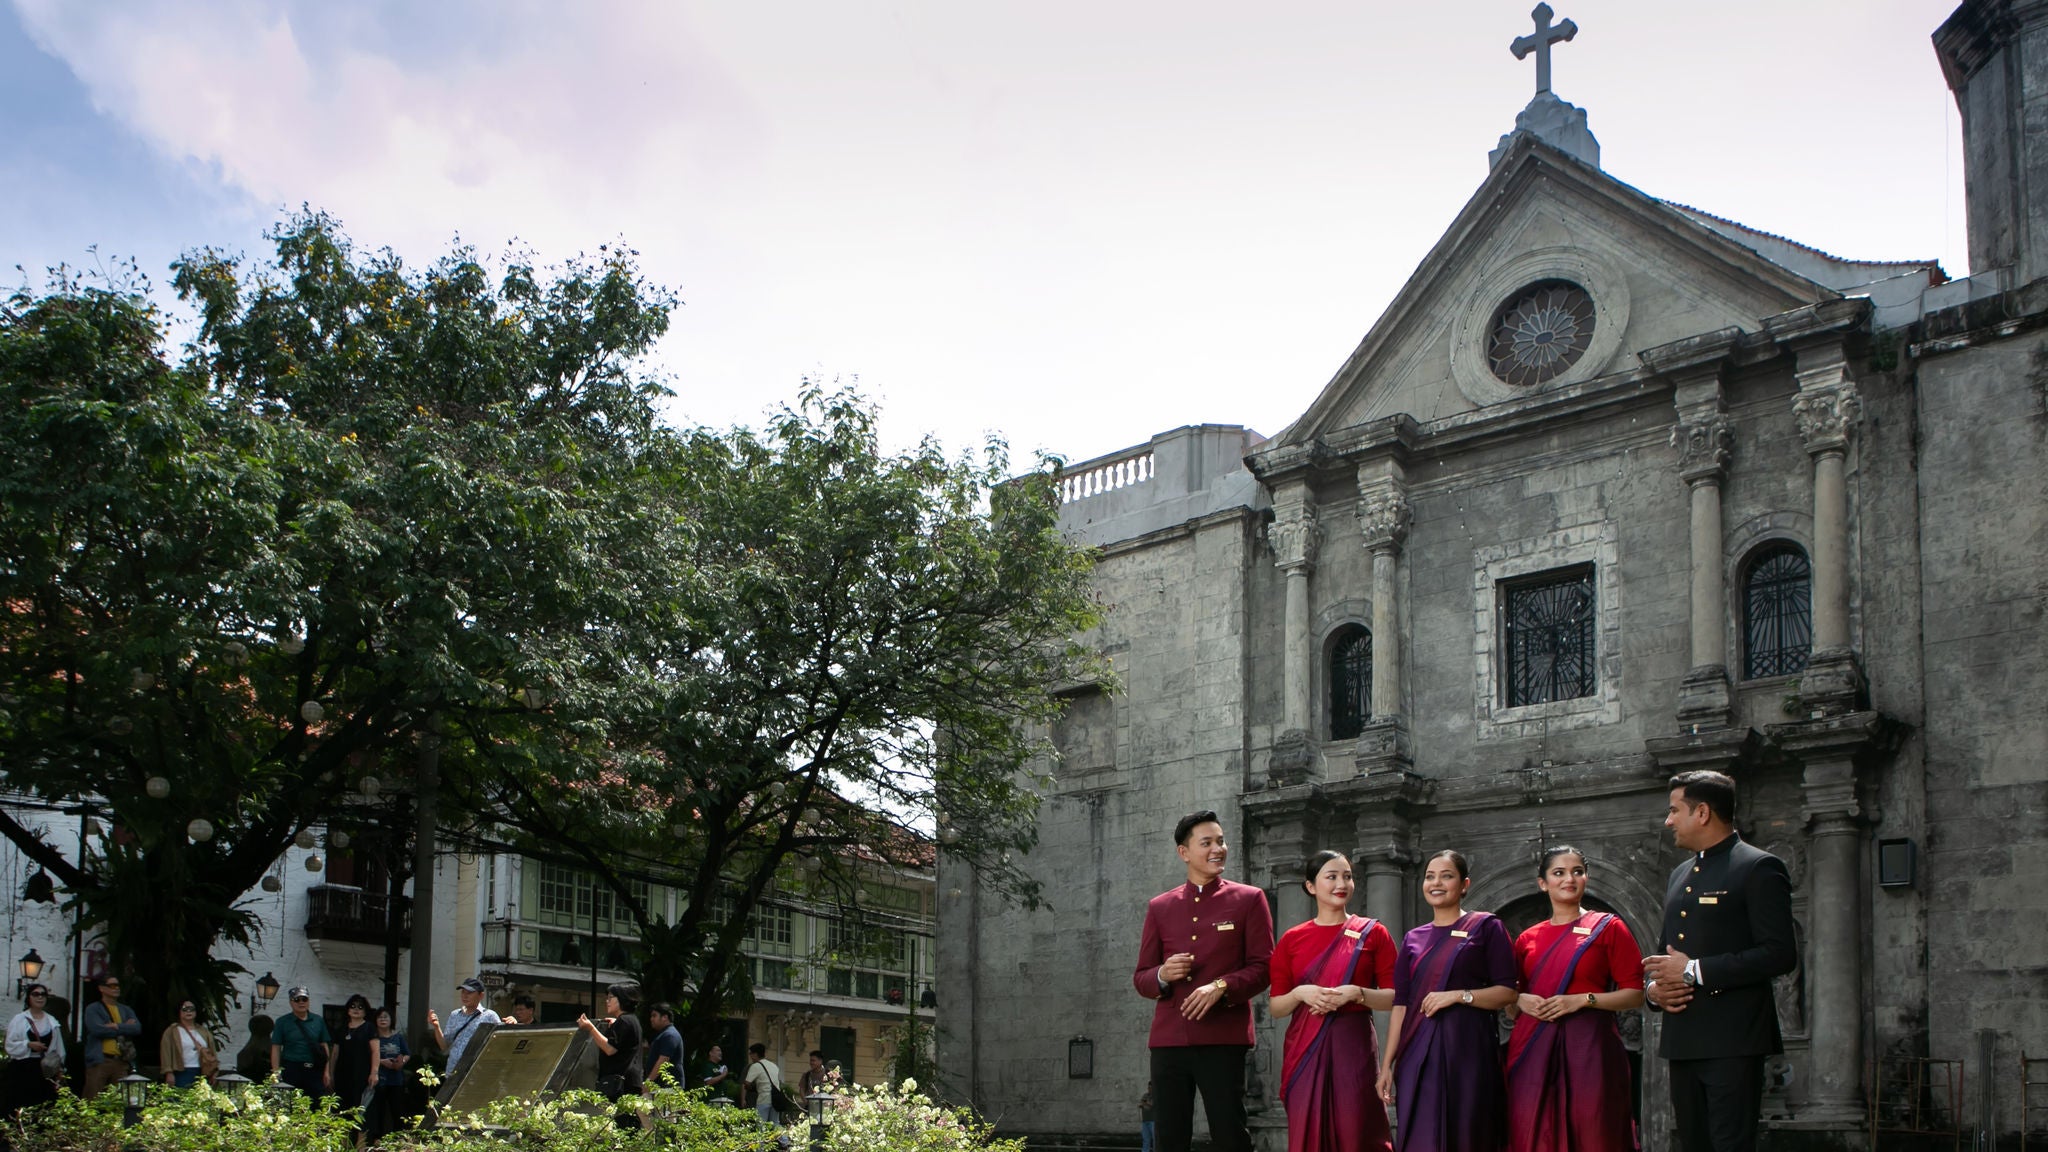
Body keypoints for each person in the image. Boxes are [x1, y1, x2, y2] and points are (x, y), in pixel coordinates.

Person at [1643, 770, 1797, 1152]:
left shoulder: (1759, 867)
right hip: (1683, 1038)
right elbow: (1669, 956)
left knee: (1729, 1145)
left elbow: (1780, 953)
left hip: (1733, 1038)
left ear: (1703, 813)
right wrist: (1654, 992)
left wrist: (1694, 971)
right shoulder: (1680, 874)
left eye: (1674, 810)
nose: (1668, 820)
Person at [1131, 809, 1275, 1152]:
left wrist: (1221, 987)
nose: (1218, 849)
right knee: (1169, 1139)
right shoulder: (1160, 906)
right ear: (1184, 852)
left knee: (1230, 1135)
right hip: (1168, 1042)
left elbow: (1265, 967)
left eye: (1221, 841)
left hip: (1223, 1038)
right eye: (1207, 842)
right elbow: (1141, 978)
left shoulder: (1249, 899)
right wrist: (1162, 974)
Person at [1505, 846, 1646, 1152]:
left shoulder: (1608, 928)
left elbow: (1635, 995)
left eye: (1577, 872)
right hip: (1534, 1047)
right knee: (1532, 1131)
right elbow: (1510, 1002)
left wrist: (1583, 1000)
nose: (1569, 879)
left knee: (1595, 1130)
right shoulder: (1526, 939)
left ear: (1586, 878)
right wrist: (1520, 1001)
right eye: (1559, 873)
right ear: (1543, 883)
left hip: (1591, 1049)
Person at [1376, 849, 1518, 1152]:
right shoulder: (1413, 938)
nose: (1436, 883)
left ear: (1464, 884)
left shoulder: (1486, 927)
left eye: (1446, 876)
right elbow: (1401, 1005)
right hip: (1417, 1054)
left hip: (1468, 1052)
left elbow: (1507, 992)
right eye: (1430, 876)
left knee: (1468, 1133)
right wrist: (1387, 1065)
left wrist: (1459, 996)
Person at [1269, 850, 1396, 1152]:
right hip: (1305, 1049)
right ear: (1311, 886)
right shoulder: (1291, 939)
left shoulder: (1373, 933)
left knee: (1357, 1131)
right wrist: (1301, 993)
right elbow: (1276, 1007)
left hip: (1354, 1047)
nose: (1342, 883)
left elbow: (1395, 997)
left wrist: (1358, 993)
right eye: (1332, 876)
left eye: (1348, 876)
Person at [577, 982, 644, 1129]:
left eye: (610, 998)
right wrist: (615, 1025)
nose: (607, 1001)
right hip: (628, 1081)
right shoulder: (629, 1020)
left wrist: (590, 1028)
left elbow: (610, 1049)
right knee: (626, 1124)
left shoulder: (625, 1021)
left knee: (623, 1127)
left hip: (621, 1083)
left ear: (622, 999)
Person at [3, 984, 64, 1122]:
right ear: (29, 997)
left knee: (43, 1106)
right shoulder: (19, 1020)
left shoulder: (52, 1022)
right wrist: (28, 1044)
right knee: (19, 1104)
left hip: (44, 1070)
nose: (40, 997)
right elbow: (9, 1045)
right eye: (35, 994)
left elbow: (59, 1049)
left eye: (43, 994)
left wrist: (60, 1070)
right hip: (22, 1069)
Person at [80, 975, 141, 1097]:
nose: (116, 988)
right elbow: (96, 1029)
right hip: (100, 1060)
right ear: (102, 988)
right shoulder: (93, 1009)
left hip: (121, 1060)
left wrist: (117, 1026)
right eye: (112, 985)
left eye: (118, 985)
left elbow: (136, 1028)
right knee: (92, 1099)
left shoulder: (125, 1009)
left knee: (119, 1100)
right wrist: (125, 1027)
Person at [271, 987, 333, 1099]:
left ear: (308, 1001)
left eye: (304, 999)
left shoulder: (318, 1020)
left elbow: (324, 1046)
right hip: (291, 1068)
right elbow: (276, 1047)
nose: (301, 1002)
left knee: (315, 1104)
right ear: (291, 1002)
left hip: (314, 1069)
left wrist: (326, 1071)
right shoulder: (282, 1022)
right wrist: (276, 1072)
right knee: (290, 1102)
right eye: (297, 1000)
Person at [428, 977, 500, 1073]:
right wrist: (436, 1027)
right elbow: (444, 1046)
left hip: (475, 1072)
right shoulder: (455, 1015)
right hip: (453, 1071)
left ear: (481, 995)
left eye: (469, 993)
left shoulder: (490, 1016)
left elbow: (499, 1042)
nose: (465, 996)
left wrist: (512, 1023)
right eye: (463, 992)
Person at [364, 1008, 411, 1145]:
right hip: (380, 1079)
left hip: (396, 1080)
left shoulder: (398, 1037)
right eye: (380, 1017)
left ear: (391, 1020)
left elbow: (407, 1053)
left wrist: (401, 1062)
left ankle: (398, 1138)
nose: (383, 1020)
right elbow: (368, 1055)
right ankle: (377, 1138)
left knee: (397, 1110)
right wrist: (382, 1062)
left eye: (386, 1017)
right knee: (379, 1110)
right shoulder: (373, 1037)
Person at [333, 994, 378, 1119]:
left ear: (365, 1011)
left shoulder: (369, 1028)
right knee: (342, 1108)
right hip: (342, 1073)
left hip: (362, 1073)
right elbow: (335, 1053)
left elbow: (375, 1051)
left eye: (360, 1007)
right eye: (352, 1006)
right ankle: (344, 1138)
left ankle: (360, 1138)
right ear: (347, 1009)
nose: (356, 1009)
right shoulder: (341, 1029)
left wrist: (374, 1073)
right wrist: (330, 1073)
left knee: (361, 1109)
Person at [158, 998, 220, 1088]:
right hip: (181, 1072)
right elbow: (166, 1053)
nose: (188, 1011)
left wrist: (215, 1071)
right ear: (179, 1012)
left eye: (191, 1009)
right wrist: (168, 1072)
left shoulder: (204, 1031)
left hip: (202, 1072)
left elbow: (212, 1053)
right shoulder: (172, 1031)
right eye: (184, 1009)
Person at [642, 1003, 684, 1090]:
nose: (651, 1019)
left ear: (665, 1017)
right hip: (662, 1087)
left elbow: (663, 1061)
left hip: (668, 1088)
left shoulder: (670, 1035)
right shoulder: (664, 1034)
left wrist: (649, 1082)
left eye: (654, 1016)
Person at [743, 1042, 785, 1124]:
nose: (750, 1056)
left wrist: (753, 1088)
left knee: (761, 1124)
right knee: (775, 1123)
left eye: (751, 1054)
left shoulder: (755, 1066)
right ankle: (783, 1137)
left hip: (763, 1099)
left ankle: (762, 1138)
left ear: (755, 1054)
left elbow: (747, 1083)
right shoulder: (774, 1066)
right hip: (775, 1099)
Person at [1139, 1083, 1156, 1152]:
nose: (1149, 1089)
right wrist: (1147, 1104)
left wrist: (1145, 1103)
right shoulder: (1145, 1095)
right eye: (1148, 1087)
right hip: (1145, 1121)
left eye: (1151, 1087)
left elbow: (1152, 1105)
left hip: (1153, 1121)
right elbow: (1141, 1103)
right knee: (1146, 1139)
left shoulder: (1156, 1096)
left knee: (1155, 1140)